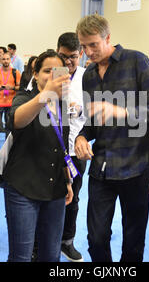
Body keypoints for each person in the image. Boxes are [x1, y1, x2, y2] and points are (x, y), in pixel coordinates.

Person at [74, 14, 149, 262]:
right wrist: (82, 137)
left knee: (133, 242)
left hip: (136, 165)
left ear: (108, 38)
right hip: (102, 168)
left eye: (93, 44)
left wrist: (124, 111)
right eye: (83, 46)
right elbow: (93, 122)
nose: (88, 51)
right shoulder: (89, 75)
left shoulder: (136, 61)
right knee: (96, 239)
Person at [0, 50, 73, 262]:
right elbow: (17, 121)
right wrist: (45, 95)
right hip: (23, 188)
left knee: (51, 256)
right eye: (47, 71)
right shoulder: (25, 97)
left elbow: (61, 145)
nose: (52, 76)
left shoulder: (62, 104)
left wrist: (67, 180)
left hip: (55, 188)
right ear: (35, 73)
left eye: (57, 71)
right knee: (21, 256)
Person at [56, 32, 87, 262]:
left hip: (76, 149)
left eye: (73, 57)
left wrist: (80, 110)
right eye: (63, 56)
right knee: (45, 196)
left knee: (73, 197)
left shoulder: (89, 77)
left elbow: (98, 109)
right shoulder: (49, 74)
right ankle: (41, 241)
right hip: (50, 148)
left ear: (81, 54)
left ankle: (67, 241)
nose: (68, 62)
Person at [0, 52, 21, 138]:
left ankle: (8, 146)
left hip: (11, 102)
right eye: (3, 59)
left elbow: (20, 87)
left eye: (7, 59)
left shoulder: (15, 72)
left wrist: (12, 87)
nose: (5, 61)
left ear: (10, 60)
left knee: (9, 126)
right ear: (0, 60)